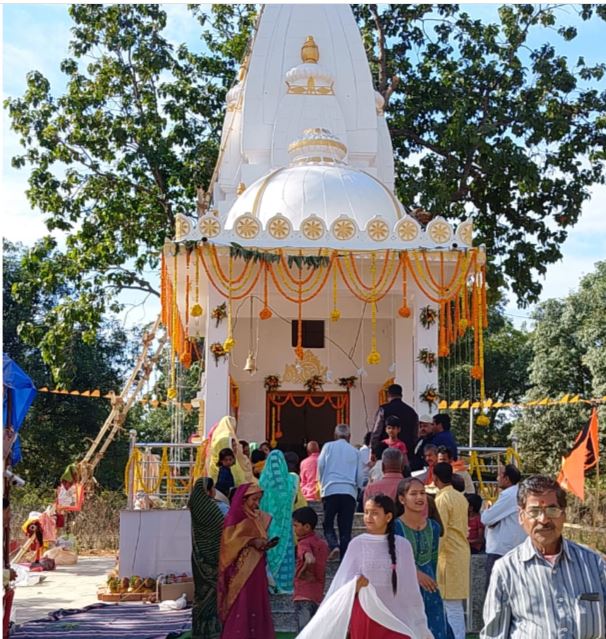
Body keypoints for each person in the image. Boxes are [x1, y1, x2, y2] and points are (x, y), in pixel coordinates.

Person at [481, 474, 606, 639]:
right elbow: (494, 635)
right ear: (521, 516)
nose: (544, 519)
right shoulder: (506, 570)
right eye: (534, 511)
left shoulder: (594, 564)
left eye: (552, 510)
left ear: (563, 515)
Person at [300, 493, 433, 638]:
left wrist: (418, 621)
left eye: (375, 513)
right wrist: (355, 585)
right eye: (366, 512)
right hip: (366, 614)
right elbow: (341, 583)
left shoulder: (403, 545)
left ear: (388, 517)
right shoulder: (358, 543)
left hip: (397, 615)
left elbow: (410, 588)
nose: (368, 517)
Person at [395, 478, 453, 639]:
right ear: (402, 499)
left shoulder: (434, 527)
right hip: (403, 590)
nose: (419, 497)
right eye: (413, 494)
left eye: (422, 493)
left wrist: (431, 581)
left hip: (430, 590)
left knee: (436, 630)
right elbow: (392, 561)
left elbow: (433, 561)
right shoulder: (394, 527)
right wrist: (416, 574)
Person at [217, 483, 275, 638]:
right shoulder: (235, 517)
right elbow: (228, 543)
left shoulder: (258, 517)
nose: (256, 503)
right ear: (243, 499)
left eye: (258, 500)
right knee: (242, 601)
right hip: (240, 571)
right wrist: (250, 541)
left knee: (256, 601)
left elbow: (260, 536)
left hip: (257, 567)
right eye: (254, 499)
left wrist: (263, 543)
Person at [433, 462, 470, 639]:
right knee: (454, 605)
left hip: (448, 555)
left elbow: (441, 532)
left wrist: (432, 558)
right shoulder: (460, 497)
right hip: (461, 551)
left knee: (451, 605)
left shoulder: (441, 499)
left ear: (435, 478)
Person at [318, 424, 365, 560]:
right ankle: (344, 561)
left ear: (335, 435)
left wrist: (322, 484)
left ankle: (334, 545)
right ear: (349, 437)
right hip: (349, 492)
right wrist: (358, 487)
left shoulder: (327, 446)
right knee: (345, 529)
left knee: (328, 523)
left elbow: (320, 466)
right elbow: (360, 475)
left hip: (330, 489)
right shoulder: (355, 451)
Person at [189, 477, 223, 639]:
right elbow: (223, 531)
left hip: (198, 557)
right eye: (213, 488)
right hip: (214, 559)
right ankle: (213, 631)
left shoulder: (195, 506)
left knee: (201, 594)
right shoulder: (212, 509)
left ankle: (199, 631)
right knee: (213, 595)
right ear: (208, 491)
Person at [481, 464, 526, 583]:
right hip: (512, 548)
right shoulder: (517, 493)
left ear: (506, 479)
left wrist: (487, 509)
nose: (497, 479)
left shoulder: (509, 495)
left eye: (499, 475)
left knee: (494, 593)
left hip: (501, 551)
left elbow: (486, 519)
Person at [259, 450, 297, 593]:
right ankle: (285, 585)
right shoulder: (290, 482)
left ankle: (271, 583)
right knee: (285, 555)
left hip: (268, 527)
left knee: (271, 553)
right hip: (285, 528)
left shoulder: (262, 482)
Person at [292, 506, 329, 632]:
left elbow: (309, 558)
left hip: (303, 595)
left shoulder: (303, 543)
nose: (294, 528)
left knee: (303, 633)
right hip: (317, 595)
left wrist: (304, 572)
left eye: (296, 525)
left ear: (307, 527)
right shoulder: (323, 544)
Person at [371, 383, 418, 460]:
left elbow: (376, 431)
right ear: (401, 395)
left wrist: (374, 449)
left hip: (386, 452)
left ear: (388, 395)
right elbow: (415, 435)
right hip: (406, 452)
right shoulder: (411, 411)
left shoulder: (383, 409)